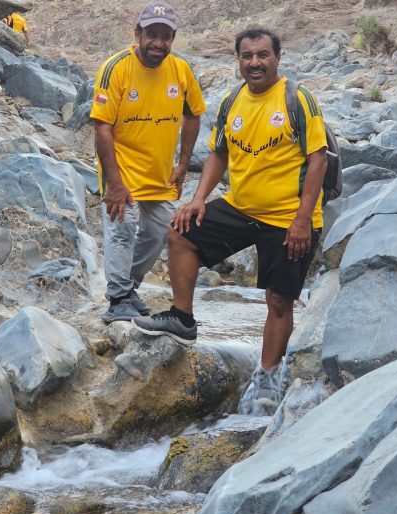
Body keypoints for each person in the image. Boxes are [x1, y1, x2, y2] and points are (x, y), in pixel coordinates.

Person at [133, 27, 328, 410]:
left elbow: (318, 159)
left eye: (263, 55)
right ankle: (182, 318)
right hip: (242, 207)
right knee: (181, 232)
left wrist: (303, 219)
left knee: (278, 300)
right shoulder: (232, 100)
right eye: (247, 56)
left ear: (277, 58)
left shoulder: (297, 99)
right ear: (238, 60)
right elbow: (219, 154)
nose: (255, 62)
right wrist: (198, 199)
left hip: (288, 217)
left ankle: (268, 376)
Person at [90, 2, 206, 323]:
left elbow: (194, 114)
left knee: (160, 233)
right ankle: (117, 299)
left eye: (165, 36)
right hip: (122, 170)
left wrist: (183, 164)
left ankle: (128, 288)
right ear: (138, 33)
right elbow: (102, 127)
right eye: (151, 34)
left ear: (173, 39)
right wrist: (114, 183)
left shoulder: (180, 70)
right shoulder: (116, 68)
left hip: (160, 173)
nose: (158, 42)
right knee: (122, 228)